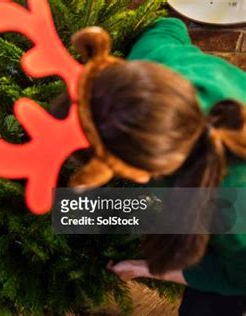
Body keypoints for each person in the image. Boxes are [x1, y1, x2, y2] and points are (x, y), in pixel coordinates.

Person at [67, 18, 246, 315]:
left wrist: (145, 268)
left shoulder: (234, 209)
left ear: (145, 171)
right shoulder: (153, 63)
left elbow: (236, 279)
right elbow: (168, 24)